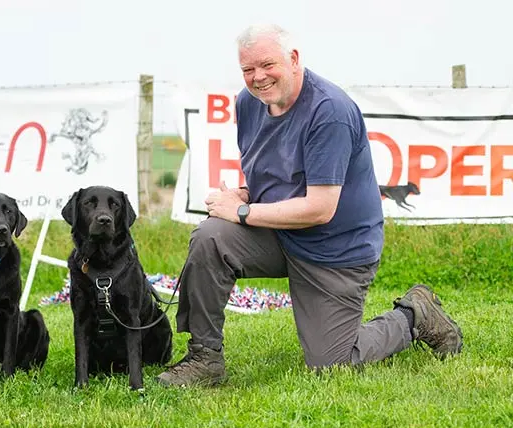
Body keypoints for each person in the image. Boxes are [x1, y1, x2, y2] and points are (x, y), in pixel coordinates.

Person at [156, 24, 463, 387]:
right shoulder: (248, 103)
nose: (257, 78)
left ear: (294, 59)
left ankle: (415, 316)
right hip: (282, 234)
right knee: (211, 237)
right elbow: (273, 172)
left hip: (335, 251)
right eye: (247, 70)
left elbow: (319, 208)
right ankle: (204, 358)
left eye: (267, 65)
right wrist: (246, 194)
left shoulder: (329, 111)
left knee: (331, 364)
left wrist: (241, 212)